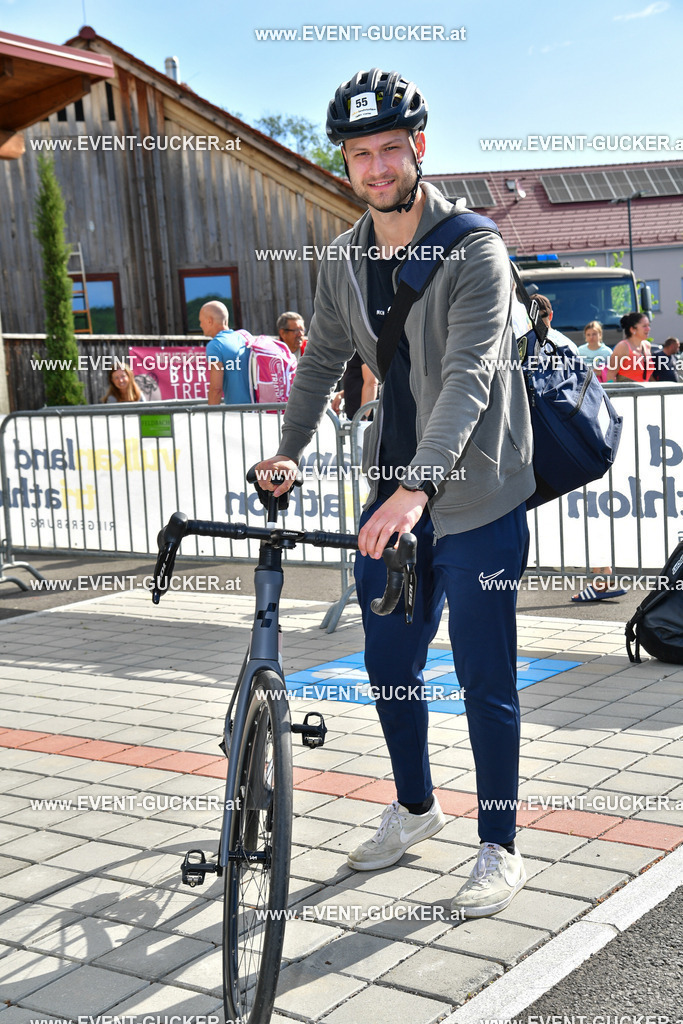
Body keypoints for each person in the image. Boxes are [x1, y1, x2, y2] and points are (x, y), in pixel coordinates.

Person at [256, 68, 534, 918]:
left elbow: (468, 379)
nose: (375, 168)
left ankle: (498, 845)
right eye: (358, 154)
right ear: (345, 163)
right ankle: (416, 809)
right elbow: (321, 363)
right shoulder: (344, 259)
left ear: (418, 146)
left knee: (485, 678)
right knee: (390, 669)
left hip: (475, 498)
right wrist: (288, 451)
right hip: (393, 500)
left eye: (389, 150)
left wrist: (418, 488)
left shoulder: (475, 248)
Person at [202, 301, 252, 405]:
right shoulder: (244, 337)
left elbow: (216, 389)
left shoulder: (215, 346)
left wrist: (211, 416)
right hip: (259, 411)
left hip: (238, 414)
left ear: (209, 321)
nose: (200, 325)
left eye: (201, 321)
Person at [606, 313, 654, 383]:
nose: (648, 328)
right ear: (632, 329)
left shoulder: (647, 345)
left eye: (648, 325)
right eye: (644, 326)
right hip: (626, 392)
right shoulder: (623, 346)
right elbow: (611, 375)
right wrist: (611, 392)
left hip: (644, 392)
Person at [331, 352, 378, 419]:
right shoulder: (355, 349)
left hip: (365, 420)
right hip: (356, 417)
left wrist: (363, 416)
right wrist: (341, 394)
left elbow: (372, 383)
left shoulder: (363, 347)